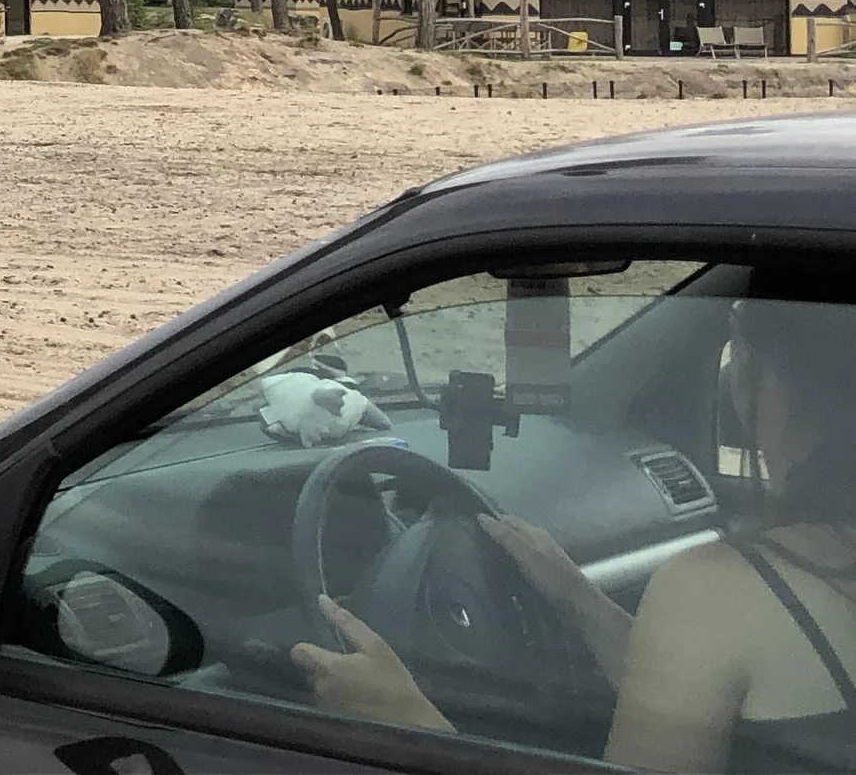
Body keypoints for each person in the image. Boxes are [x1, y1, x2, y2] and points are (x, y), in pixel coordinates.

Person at [294, 286, 856, 772]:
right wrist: (576, 596)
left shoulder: (726, 590)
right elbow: (691, 692)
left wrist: (408, 723)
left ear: (749, 374)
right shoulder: (739, 600)